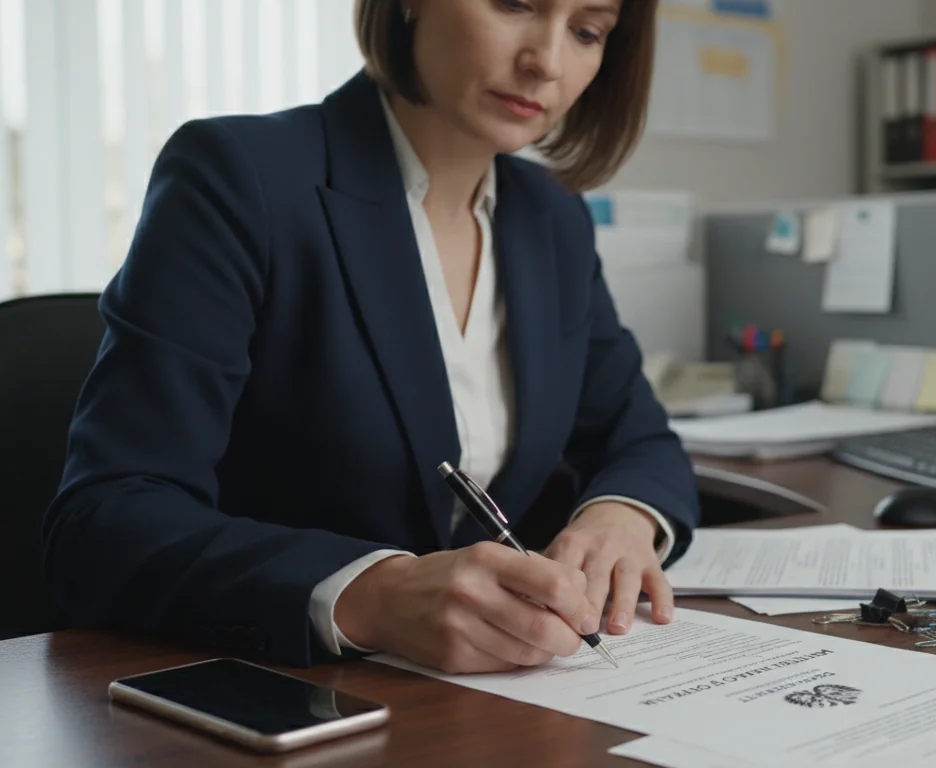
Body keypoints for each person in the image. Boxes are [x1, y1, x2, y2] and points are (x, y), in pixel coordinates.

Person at [42, 0, 698, 675]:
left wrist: (621, 517)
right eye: (513, 4)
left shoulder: (551, 218)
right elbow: (104, 522)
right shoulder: (238, 177)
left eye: (587, 32)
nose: (547, 62)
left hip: (470, 703)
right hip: (263, 691)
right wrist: (375, 594)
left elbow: (640, 438)